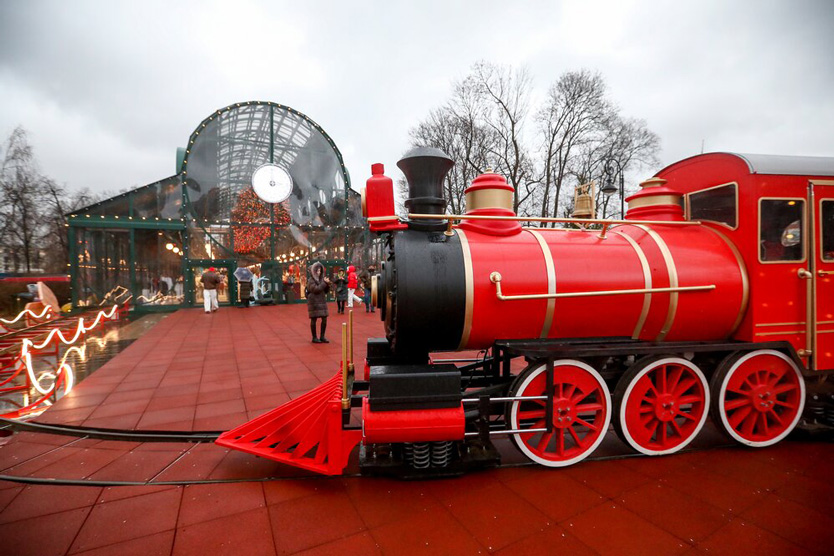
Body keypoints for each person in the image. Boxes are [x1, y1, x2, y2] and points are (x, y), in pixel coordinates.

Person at [305, 261, 331, 343]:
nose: (319, 272)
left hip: (322, 301)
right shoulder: (310, 280)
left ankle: (322, 336)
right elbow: (316, 289)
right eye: (317, 271)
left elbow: (325, 290)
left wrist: (327, 285)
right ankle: (314, 337)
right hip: (314, 302)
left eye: (320, 271)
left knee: (324, 319)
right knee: (314, 319)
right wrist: (324, 283)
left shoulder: (321, 280)